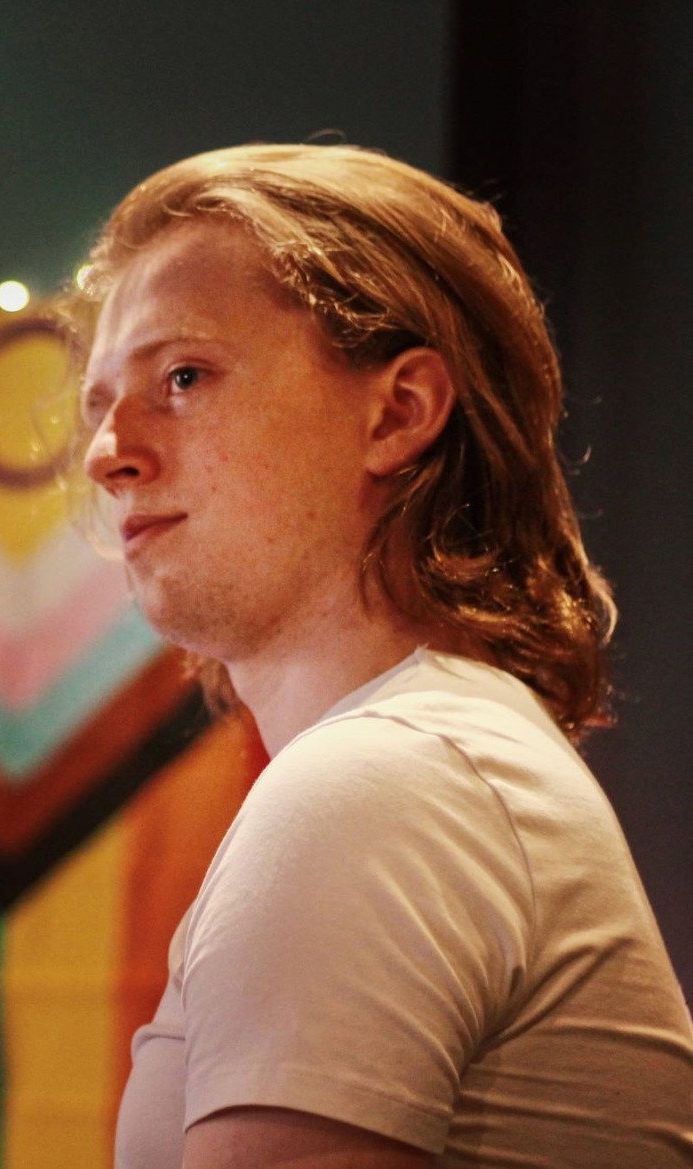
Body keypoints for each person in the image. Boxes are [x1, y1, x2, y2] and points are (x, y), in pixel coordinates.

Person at [64, 144, 693, 1168]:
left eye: (182, 376)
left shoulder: (382, 782)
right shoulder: (423, 758)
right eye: (101, 406)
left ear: (398, 411)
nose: (108, 452)